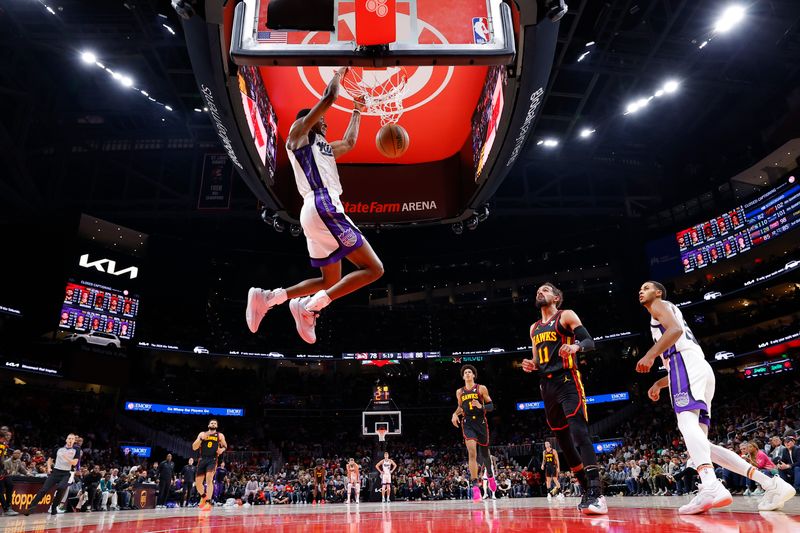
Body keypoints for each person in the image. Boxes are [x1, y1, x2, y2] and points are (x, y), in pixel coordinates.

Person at [245, 67, 383, 344]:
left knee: (330, 281)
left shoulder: (325, 148)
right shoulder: (298, 134)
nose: (326, 124)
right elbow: (329, 98)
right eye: (322, 121)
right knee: (374, 269)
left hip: (316, 211)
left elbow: (350, 142)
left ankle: (271, 298)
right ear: (310, 120)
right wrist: (339, 74)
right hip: (323, 206)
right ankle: (311, 306)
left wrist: (357, 110)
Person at [636, 281, 795, 513]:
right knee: (703, 446)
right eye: (640, 288)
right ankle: (770, 483)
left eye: (647, 287)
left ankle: (710, 485)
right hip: (695, 368)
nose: (641, 290)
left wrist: (650, 355)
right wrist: (659, 383)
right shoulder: (667, 310)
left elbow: (675, 332)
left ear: (658, 292)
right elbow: (681, 350)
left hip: (685, 366)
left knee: (686, 423)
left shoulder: (659, 306)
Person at [521, 283, 607, 515]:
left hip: (567, 380)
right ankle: (584, 486)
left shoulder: (565, 315)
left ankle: (597, 493)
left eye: (546, 290)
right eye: (538, 290)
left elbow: (589, 341)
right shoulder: (534, 327)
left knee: (579, 432)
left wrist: (576, 347)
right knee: (563, 441)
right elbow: (538, 358)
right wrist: (531, 364)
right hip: (546, 385)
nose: (540, 292)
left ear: (557, 297)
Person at [450, 364, 496, 502]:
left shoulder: (481, 388)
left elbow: (491, 406)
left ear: (474, 375)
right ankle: (475, 486)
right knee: (472, 453)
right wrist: (454, 414)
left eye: (470, 372)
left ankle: (491, 476)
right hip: (468, 422)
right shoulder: (460, 392)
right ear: (463, 376)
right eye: (466, 373)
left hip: (481, 422)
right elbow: (460, 407)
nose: (468, 374)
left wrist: (480, 406)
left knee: (485, 454)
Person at [23, 434, 79, 516]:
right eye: (69, 438)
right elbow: (50, 459)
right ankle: (30, 508)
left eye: (72, 439)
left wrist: (66, 457)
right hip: (55, 472)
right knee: (43, 490)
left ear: (74, 441)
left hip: (66, 473)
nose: (70, 440)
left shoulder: (76, 450)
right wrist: (49, 468)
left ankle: (54, 507)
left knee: (61, 488)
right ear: (66, 440)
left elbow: (74, 463)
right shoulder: (58, 449)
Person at [192, 419, 227, 512]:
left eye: (215, 423)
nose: (213, 424)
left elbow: (225, 445)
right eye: (212, 423)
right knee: (198, 483)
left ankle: (208, 502)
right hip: (202, 459)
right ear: (208, 425)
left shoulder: (220, 435)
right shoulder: (202, 434)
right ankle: (203, 496)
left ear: (217, 426)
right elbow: (194, 447)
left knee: (209, 478)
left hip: (212, 459)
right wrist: (200, 439)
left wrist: (222, 450)